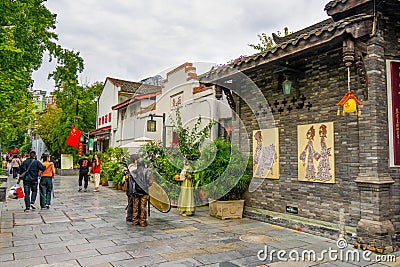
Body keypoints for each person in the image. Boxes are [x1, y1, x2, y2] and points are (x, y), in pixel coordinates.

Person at [129, 157, 153, 226]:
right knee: (143, 207)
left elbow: (131, 181)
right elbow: (151, 181)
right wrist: (147, 185)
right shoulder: (148, 171)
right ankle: (142, 221)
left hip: (136, 191)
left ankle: (135, 221)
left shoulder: (134, 171)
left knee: (135, 206)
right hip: (144, 191)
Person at [126, 154, 138, 222]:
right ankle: (130, 217)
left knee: (131, 202)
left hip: (130, 188)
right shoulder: (132, 167)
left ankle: (130, 216)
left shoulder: (131, 166)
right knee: (131, 203)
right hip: (132, 188)